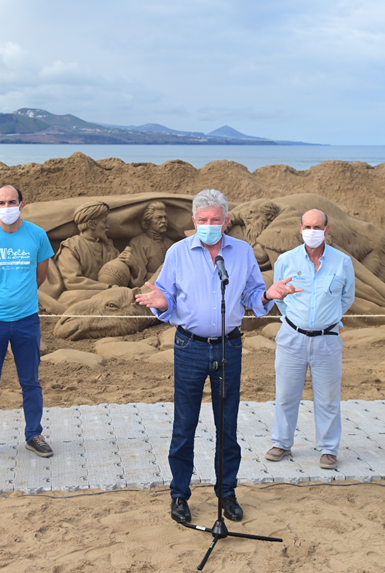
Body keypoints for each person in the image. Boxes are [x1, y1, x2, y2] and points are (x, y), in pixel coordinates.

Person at [135, 188, 300, 524]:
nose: (209, 225)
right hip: (189, 347)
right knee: (185, 425)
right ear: (195, 221)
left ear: (226, 221)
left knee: (227, 426)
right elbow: (164, 293)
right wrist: (163, 303)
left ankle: (227, 494)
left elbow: (254, 293)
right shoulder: (178, 252)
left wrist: (269, 293)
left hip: (229, 347)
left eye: (215, 220)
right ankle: (180, 495)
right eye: (203, 220)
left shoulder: (241, 253)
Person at [0, 185, 55, 461]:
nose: (7, 207)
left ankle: (34, 435)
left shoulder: (38, 236)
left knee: (31, 381)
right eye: (2, 202)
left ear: (22, 204)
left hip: (27, 319)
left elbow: (40, 276)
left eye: (12, 202)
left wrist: (20, 299)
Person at [266, 209, 355, 469]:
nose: (312, 231)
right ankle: (281, 443)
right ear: (300, 228)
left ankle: (328, 449)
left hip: (327, 340)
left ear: (327, 230)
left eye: (317, 227)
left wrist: (326, 319)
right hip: (292, 338)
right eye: (307, 226)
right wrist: (299, 320)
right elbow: (281, 298)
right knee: (285, 395)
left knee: (328, 398)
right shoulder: (286, 260)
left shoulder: (342, 262)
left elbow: (347, 298)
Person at [51, 200, 133, 291]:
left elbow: (125, 279)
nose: (107, 226)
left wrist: (132, 267)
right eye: (104, 222)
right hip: (83, 295)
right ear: (91, 224)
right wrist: (107, 287)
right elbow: (72, 281)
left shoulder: (110, 249)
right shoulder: (70, 247)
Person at [127, 200, 174, 286]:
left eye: (165, 217)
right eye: (159, 218)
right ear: (148, 221)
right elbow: (139, 275)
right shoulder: (138, 243)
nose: (163, 221)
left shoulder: (172, 244)